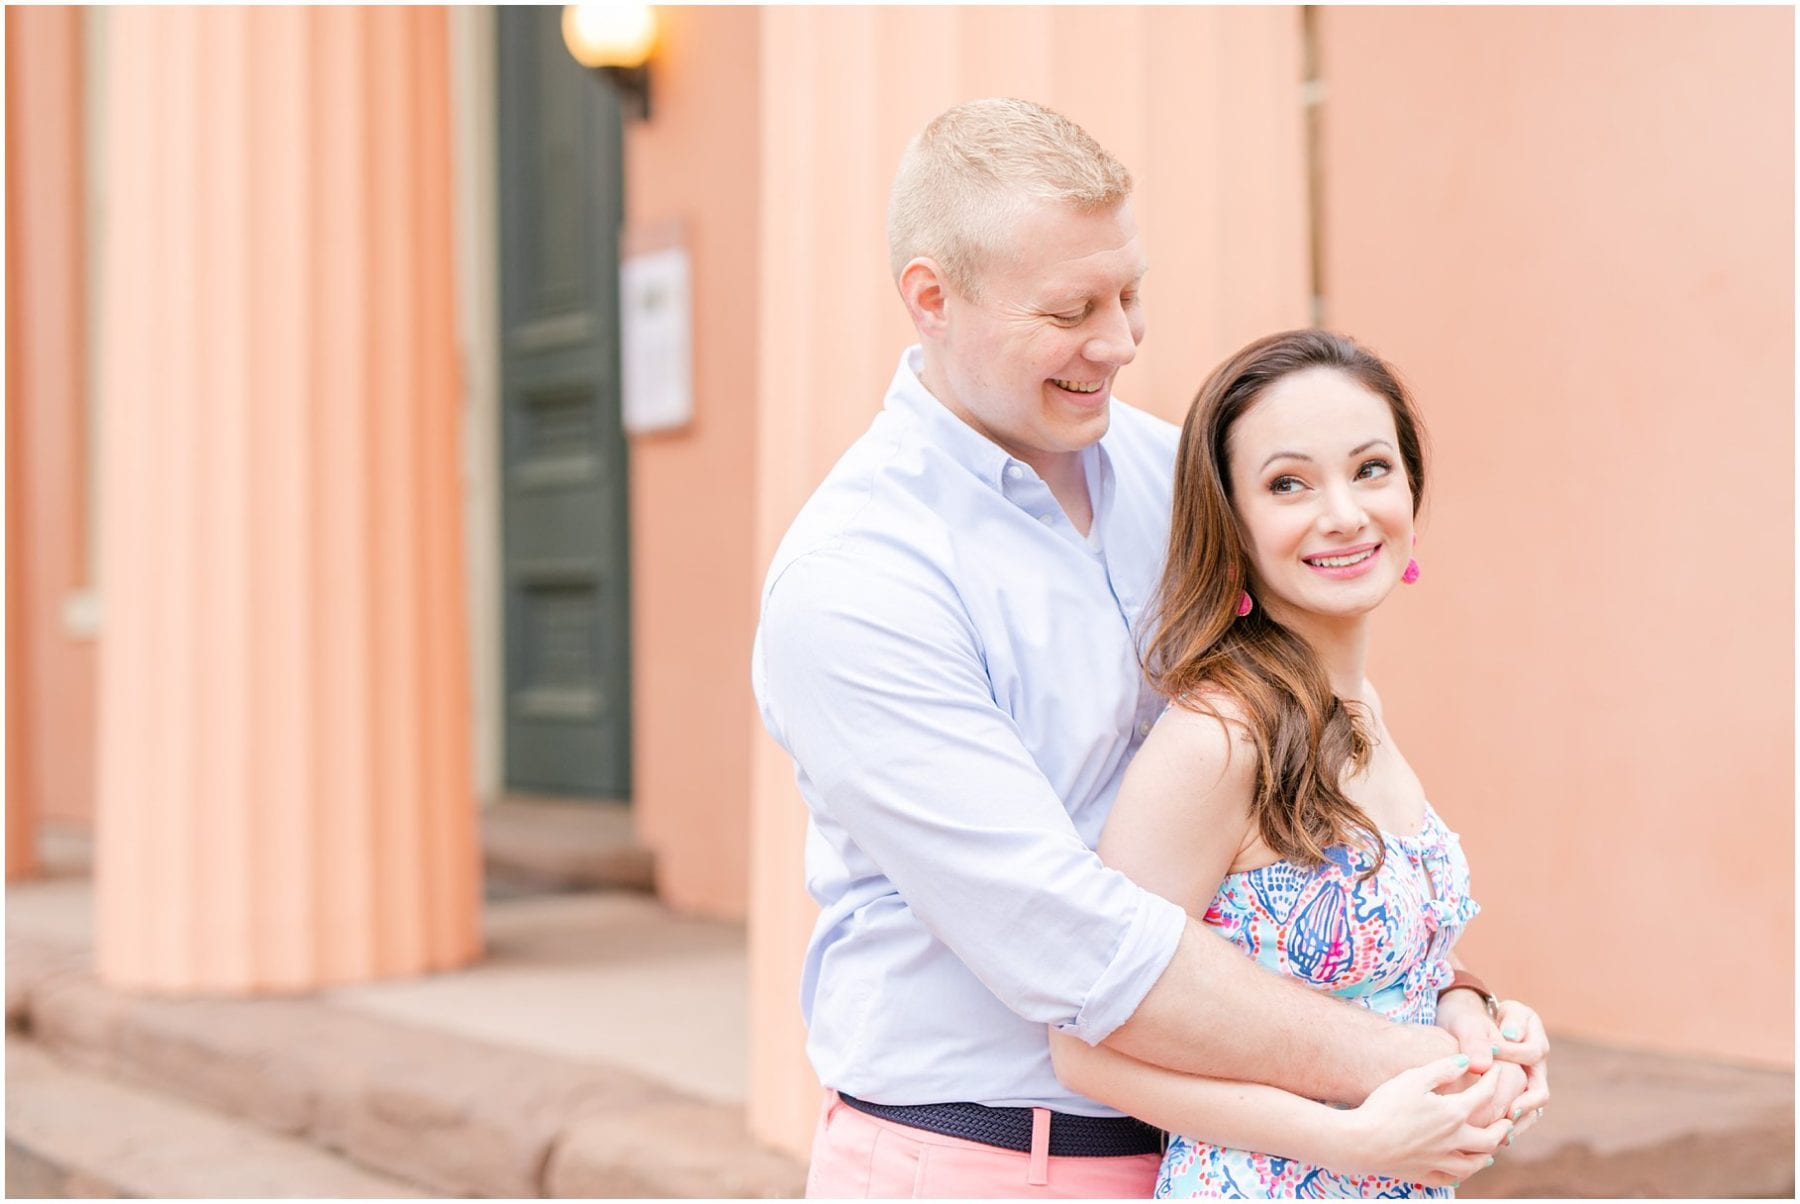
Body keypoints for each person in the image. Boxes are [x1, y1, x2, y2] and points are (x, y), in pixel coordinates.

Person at [752, 98, 1544, 1199]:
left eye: (1130, 295)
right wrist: (1412, 1062)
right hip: (988, 1163)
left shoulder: (1181, 477)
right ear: (932, 299)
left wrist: (1454, 999)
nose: (1121, 341)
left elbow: (1298, 816)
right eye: (1073, 308)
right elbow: (1068, 943)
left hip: (1221, 1151)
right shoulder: (858, 581)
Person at [1046, 330, 1550, 1197]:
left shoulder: (1361, 709)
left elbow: (1382, 977)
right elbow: (1084, 1048)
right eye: (1288, 484)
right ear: (1233, 521)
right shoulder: (1220, 735)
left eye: (1370, 468)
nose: (1345, 514)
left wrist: (1478, 1022)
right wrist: (1347, 1141)